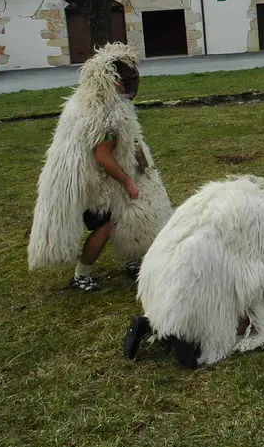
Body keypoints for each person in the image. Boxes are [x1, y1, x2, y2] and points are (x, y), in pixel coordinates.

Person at [28, 42, 172, 292]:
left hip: (99, 176)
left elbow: (125, 138)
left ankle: (134, 259)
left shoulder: (93, 101)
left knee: (131, 213)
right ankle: (81, 275)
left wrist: (137, 155)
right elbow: (103, 156)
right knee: (105, 225)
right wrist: (127, 181)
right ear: (115, 81)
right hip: (92, 181)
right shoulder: (104, 113)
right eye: (129, 80)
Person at [123, 176, 264, 368]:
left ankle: (152, 324)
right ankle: (194, 345)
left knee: (180, 298)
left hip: (159, 271)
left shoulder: (205, 200)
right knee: (244, 315)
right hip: (203, 267)